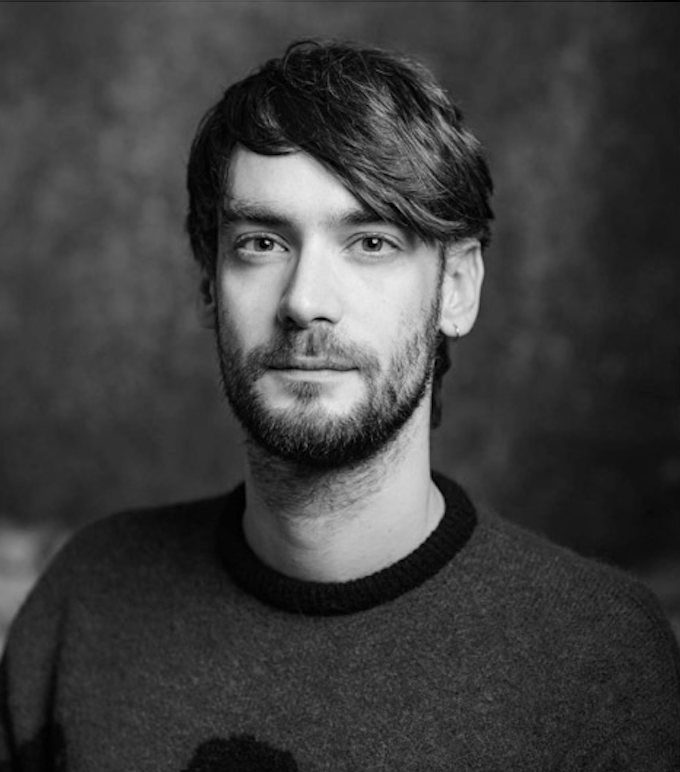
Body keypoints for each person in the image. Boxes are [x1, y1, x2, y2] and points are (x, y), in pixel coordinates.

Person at [1, 39, 678, 772]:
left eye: (371, 242)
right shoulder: (85, 603)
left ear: (457, 289)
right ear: (208, 287)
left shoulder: (600, 655)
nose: (305, 302)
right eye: (261, 242)